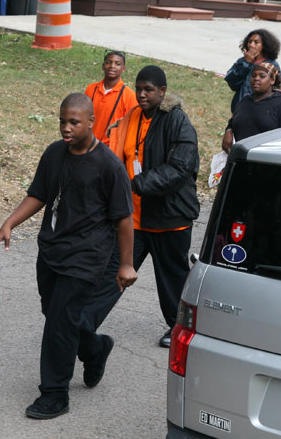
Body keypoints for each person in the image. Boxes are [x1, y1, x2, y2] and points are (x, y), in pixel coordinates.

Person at [0, 93, 136, 420]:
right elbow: (39, 194)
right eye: (62, 121)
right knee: (56, 315)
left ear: (91, 122)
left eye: (74, 122)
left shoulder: (108, 165)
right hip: (52, 250)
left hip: (87, 256)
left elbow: (124, 218)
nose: (66, 128)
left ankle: (54, 394)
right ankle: (95, 348)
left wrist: (126, 263)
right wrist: (9, 223)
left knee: (59, 323)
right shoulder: (55, 153)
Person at [84, 65, 199, 349]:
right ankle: (83, 325)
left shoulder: (177, 122)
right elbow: (114, 157)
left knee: (172, 280)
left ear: (162, 91)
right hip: (133, 220)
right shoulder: (131, 117)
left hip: (170, 219)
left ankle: (179, 328)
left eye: (149, 90)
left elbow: (180, 169)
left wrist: (136, 184)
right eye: (139, 88)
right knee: (113, 275)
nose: (142, 94)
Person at [223, 61, 281, 153]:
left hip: (265, 158)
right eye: (253, 76)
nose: (256, 79)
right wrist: (228, 131)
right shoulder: (245, 100)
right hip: (240, 157)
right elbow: (233, 121)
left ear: (272, 80)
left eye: (262, 76)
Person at [84, 51, 138, 145]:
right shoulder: (91, 89)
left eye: (117, 64)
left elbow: (132, 129)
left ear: (123, 69)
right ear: (103, 66)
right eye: (108, 62)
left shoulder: (129, 96)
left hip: (110, 148)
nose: (112, 66)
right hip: (86, 143)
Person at [225, 28, 281, 113]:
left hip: (261, 109)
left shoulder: (271, 64)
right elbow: (232, 83)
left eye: (256, 42)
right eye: (249, 41)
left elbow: (277, 89)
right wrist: (246, 64)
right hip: (240, 109)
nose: (251, 45)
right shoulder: (242, 61)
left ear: (264, 45)